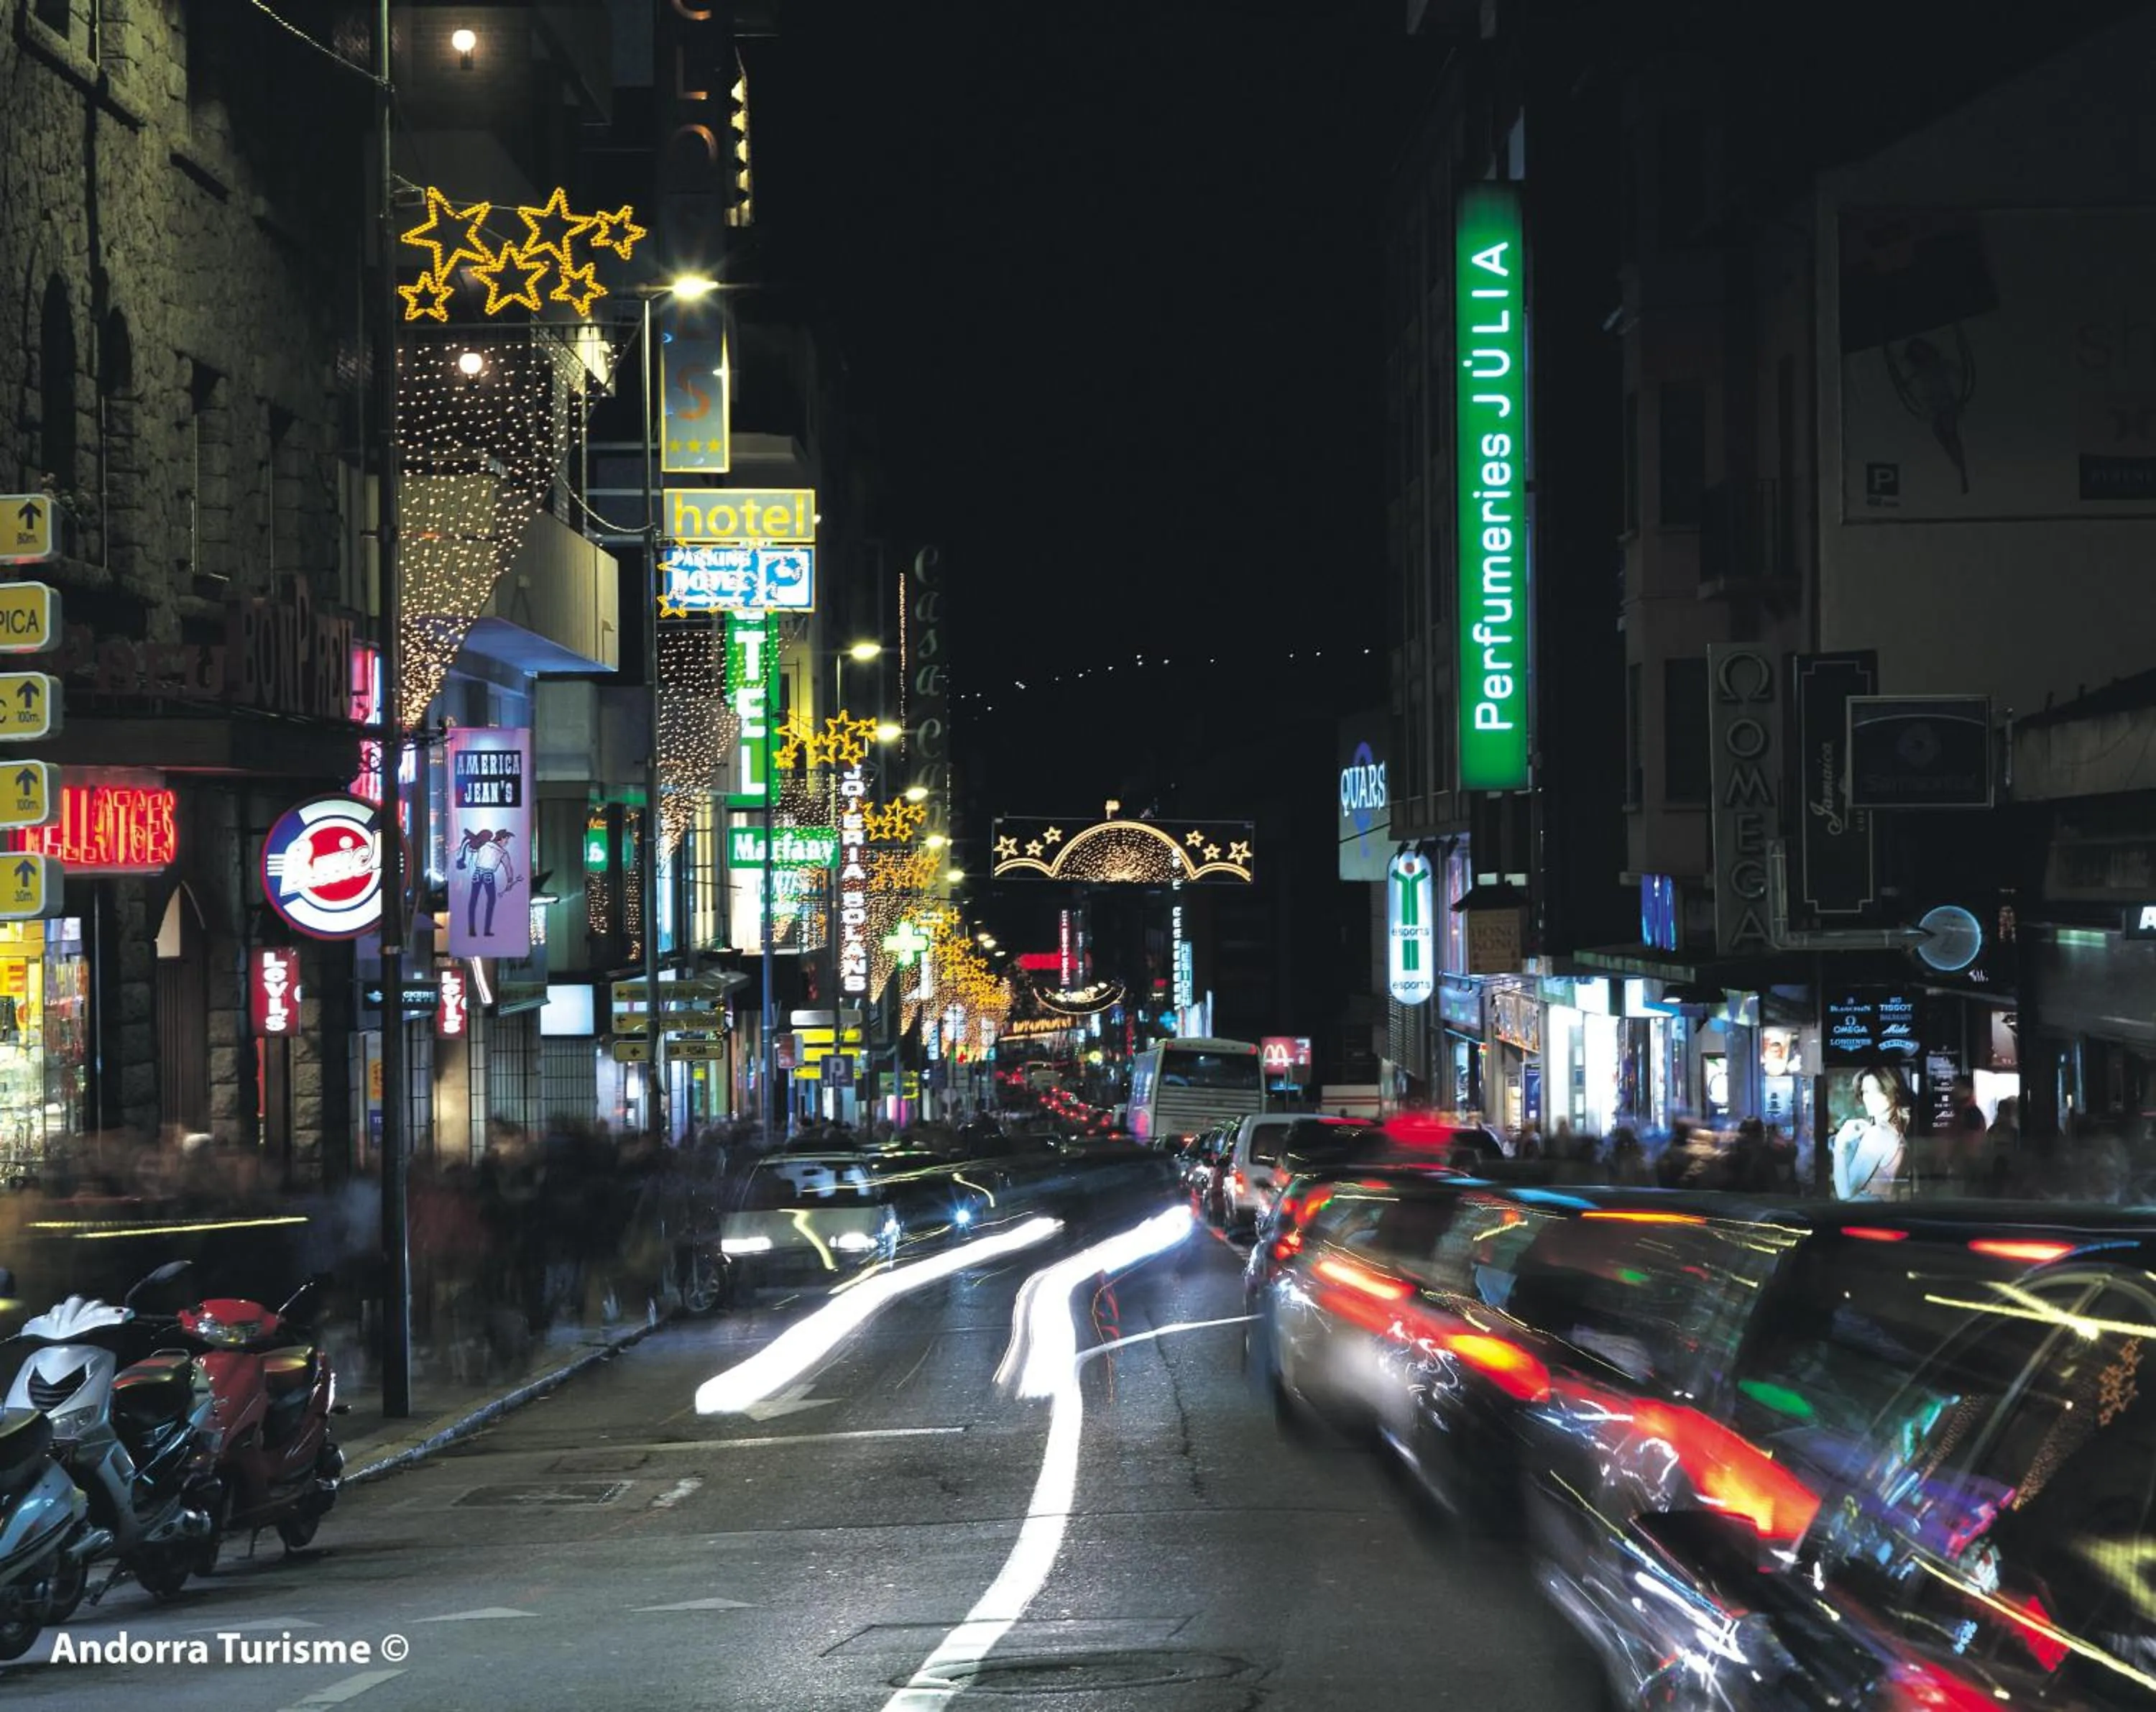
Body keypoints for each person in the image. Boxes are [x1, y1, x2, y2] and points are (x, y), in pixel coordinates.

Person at [1833, 1066, 1911, 1201]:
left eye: (1878, 1091)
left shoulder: (1879, 1133)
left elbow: (1844, 1193)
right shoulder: (1896, 1130)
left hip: (1863, 1215)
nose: (1869, 1098)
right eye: (1866, 1091)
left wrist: (1840, 1143)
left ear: (1893, 1092)